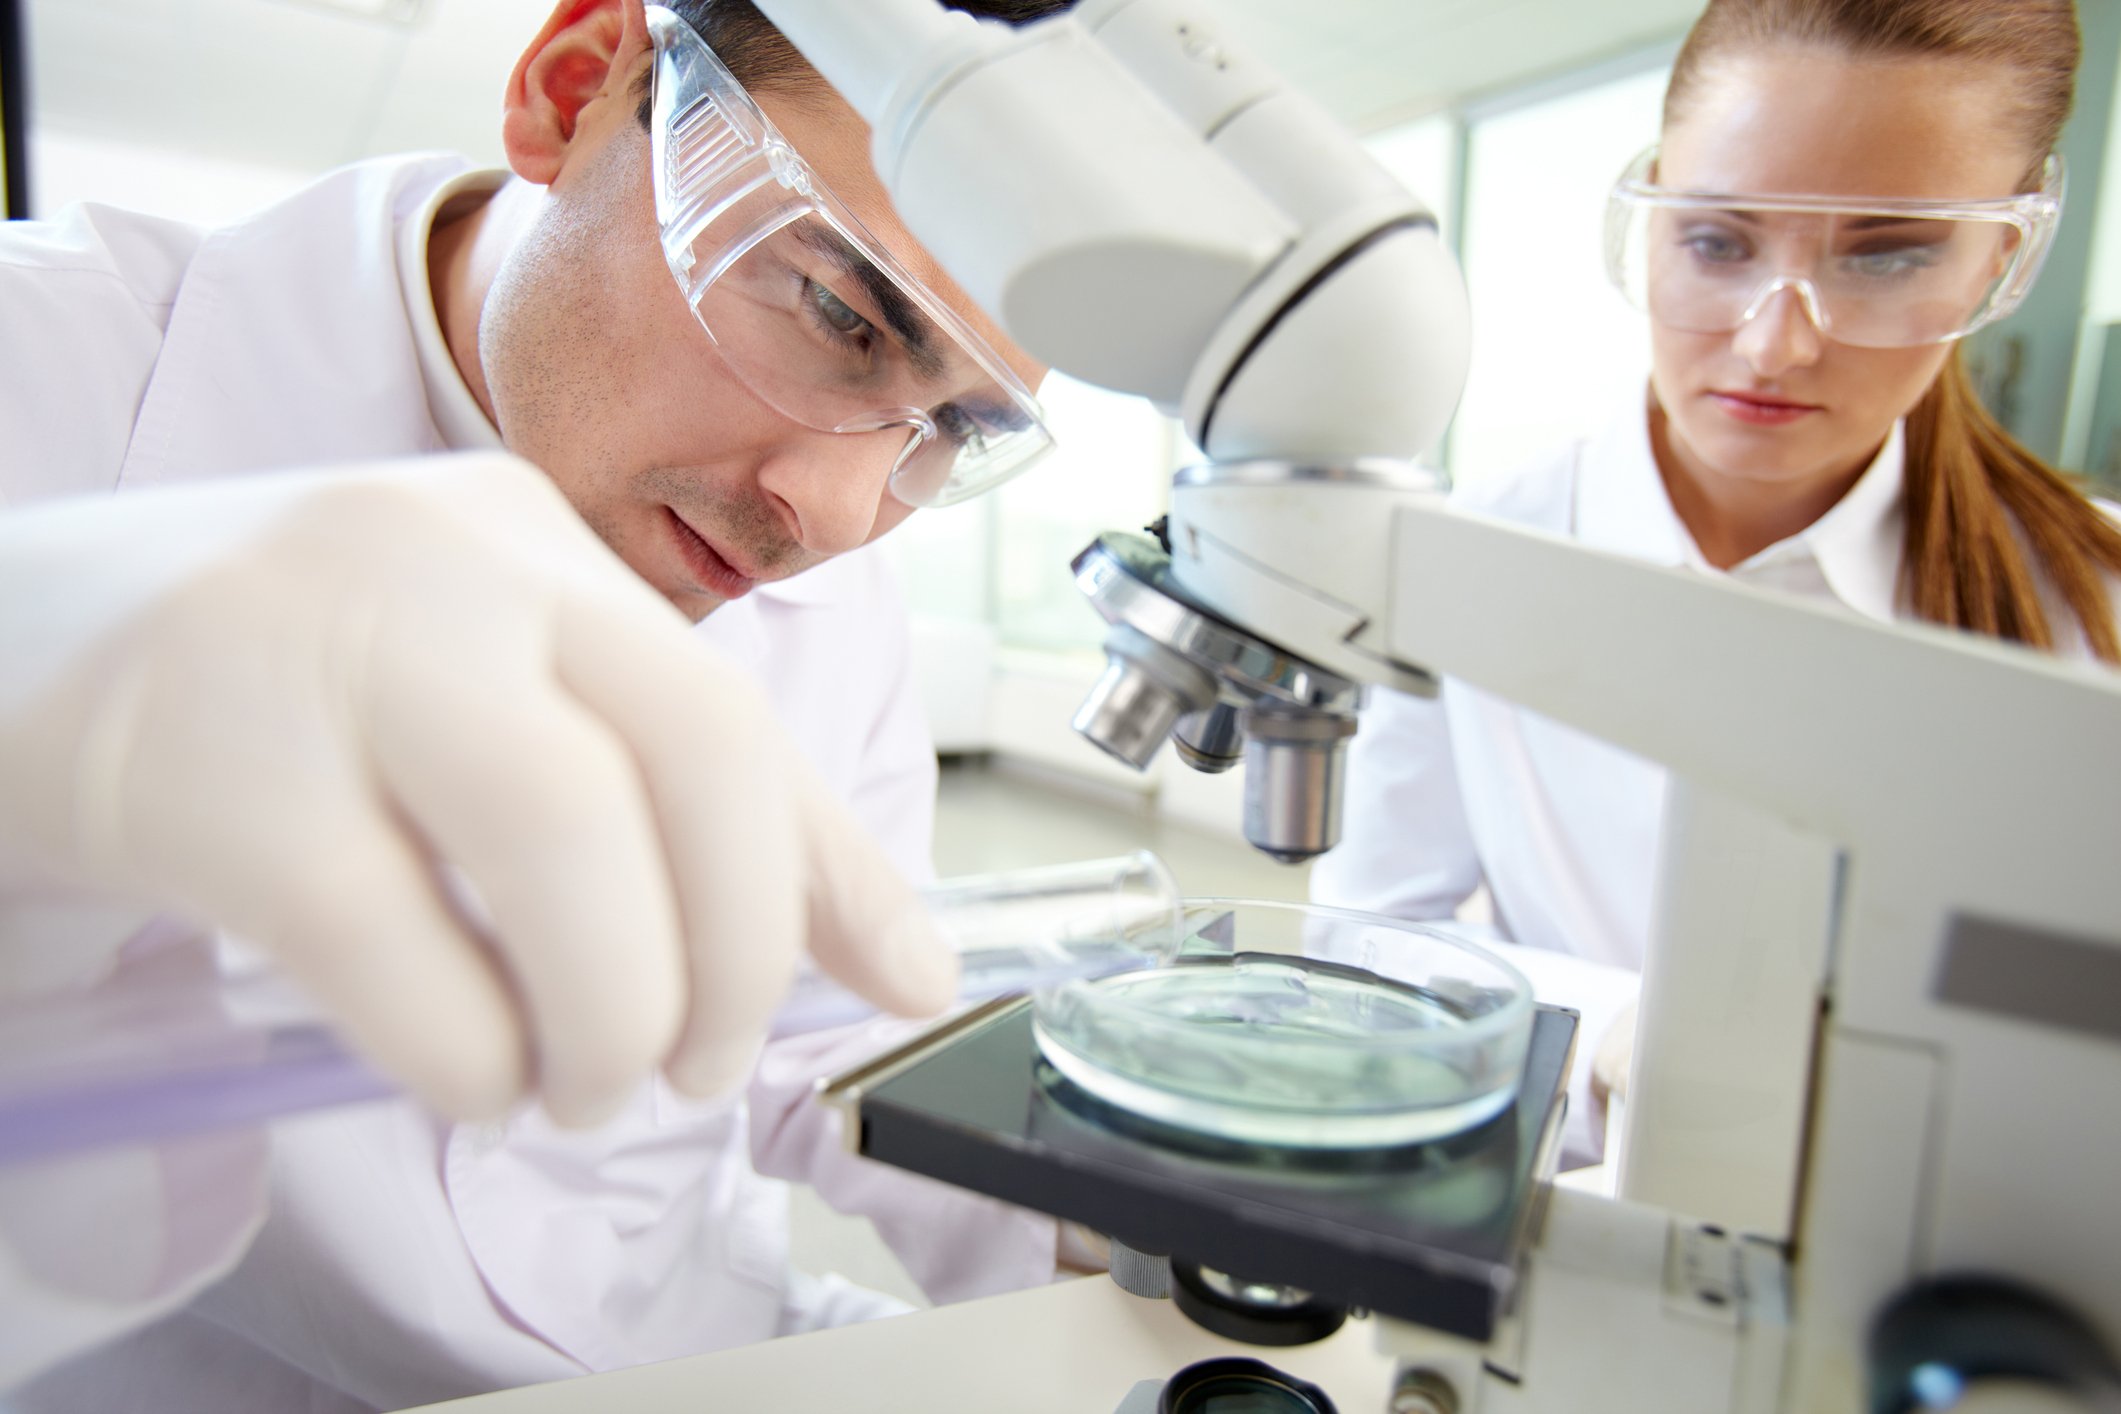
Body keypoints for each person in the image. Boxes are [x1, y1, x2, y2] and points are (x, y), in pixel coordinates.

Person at [0, 0, 1080, 1407]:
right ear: (577, 93)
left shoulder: (828, 586)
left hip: (692, 1355)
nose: (834, 511)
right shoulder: (45, 369)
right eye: (835, 312)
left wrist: (1100, 1197)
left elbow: (828, 1026)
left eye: (951, 429)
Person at [1315, 0, 2121, 1008]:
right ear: (1650, 211)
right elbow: (1368, 937)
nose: (1773, 346)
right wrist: (1609, 1042)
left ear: (2001, 261)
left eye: (1885, 257)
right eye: (1715, 241)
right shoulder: (1473, 554)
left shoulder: (2095, 602)